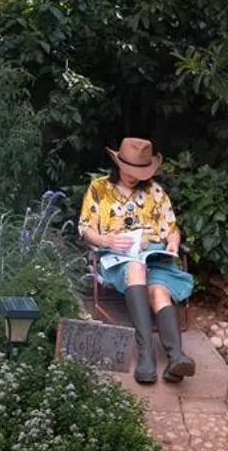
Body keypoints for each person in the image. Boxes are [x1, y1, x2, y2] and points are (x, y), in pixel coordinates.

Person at [77, 137, 197, 384]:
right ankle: (146, 354)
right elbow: (85, 228)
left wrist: (173, 241)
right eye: (131, 170)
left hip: (153, 256)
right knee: (135, 266)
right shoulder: (99, 189)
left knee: (160, 292)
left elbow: (171, 227)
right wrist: (105, 241)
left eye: (141, 171)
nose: (135, 176)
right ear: (118, 163)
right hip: (118, 255)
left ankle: (176, 357)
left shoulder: (155, 191)